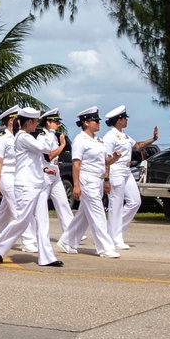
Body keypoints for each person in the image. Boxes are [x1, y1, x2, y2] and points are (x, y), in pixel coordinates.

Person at [0, 107, 63, 267]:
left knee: (43, 221)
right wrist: (50, 131)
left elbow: (35, 158)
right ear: (29, 122)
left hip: (39, 183)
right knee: (22, 220)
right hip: (26, 185)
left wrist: (43, 169)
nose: (36, 125)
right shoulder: (21, 137)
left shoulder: (28, 137)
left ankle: (47, 257)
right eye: (35, 122)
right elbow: (46, 148)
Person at [57, 107, 121, 257]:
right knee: (98, 213)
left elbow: (104, 161)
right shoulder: (80, 140)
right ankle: (105, 247)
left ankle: (67, 240)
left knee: (84, 214)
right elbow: (76, 164)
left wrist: (114, 160)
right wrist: (76, 186)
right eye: (95, 121)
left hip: (97, 180)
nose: (98, 124)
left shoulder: (98, 140)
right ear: (86, 123)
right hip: (87, 179)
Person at [102, 106, 158, 249]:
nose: (126, 120)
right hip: (116, 170)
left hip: (126, 170)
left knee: (135, 202)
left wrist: (153, 139)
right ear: (119, 120)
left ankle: (115, 231)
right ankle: (115, 238)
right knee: (116, 205)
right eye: (124, 118)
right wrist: (106, 180)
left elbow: (137, 146)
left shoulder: (124, 135)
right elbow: (106, 159)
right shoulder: (110, 137)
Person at [0, 106, 37, 252]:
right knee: (19, 210)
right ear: (11, 120)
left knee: (5, 211)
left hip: (18, 176)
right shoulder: (2, 138)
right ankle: (27, 241)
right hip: (7, 176)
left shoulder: (20, 136)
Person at [37, 108, 74, 236]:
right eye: (55, 121)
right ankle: (37, 233)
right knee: (40, 206)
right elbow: (49, 156)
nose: (58, 124)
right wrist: (62, 146)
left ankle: (70, 232)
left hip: (56, 172)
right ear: (48, 122)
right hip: (46, 173)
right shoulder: (42, 137)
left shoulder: (54, 136)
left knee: (63, 202)